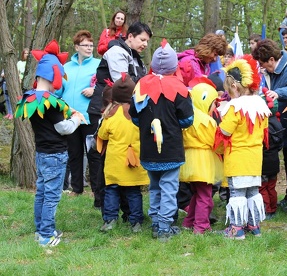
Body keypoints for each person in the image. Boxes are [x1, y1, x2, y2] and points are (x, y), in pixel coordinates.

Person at [15, 40, 85, 247]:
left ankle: (41, 230)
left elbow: (50, 116)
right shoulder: (51, 102)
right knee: (52, 196)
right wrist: (77, 119)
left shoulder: (31, 98)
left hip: (42, 152)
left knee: (42, 192)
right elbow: (63, 128)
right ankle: (46, 236)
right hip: (55, 155)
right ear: (55, 74)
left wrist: (67, 110)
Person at [129, 39, 194, 241]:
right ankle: (165, 225)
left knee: (155, 185)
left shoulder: (141, 87)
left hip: (149, 147)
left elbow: (134, 117)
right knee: (169, 187)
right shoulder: (180, 89)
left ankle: (157, 222)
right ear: (174, 66)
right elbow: (187, 119)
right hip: (171, 148)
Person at [214, 55, 271, 239]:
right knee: (253, 192)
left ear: (233, 86)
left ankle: (236, 229)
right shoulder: (261, 106)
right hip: (255, 159)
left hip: (237, 159)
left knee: (237, 193)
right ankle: (254, 225)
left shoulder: (235, 107)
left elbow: (225, 131)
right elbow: (263, 132)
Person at [252, 39, 287, 213]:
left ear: (272, 60)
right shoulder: (269, 72)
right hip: (280, 122)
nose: (263, 68)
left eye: (264, 64)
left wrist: (277, 93)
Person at [98, 73, 149, 233]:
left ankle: (110, 219)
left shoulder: (110, 115)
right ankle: (136, 222)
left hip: (114, 162)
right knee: (133, 192)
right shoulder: (139, 113)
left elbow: (102, 135)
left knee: (111, 191)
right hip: (133, 161)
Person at [57, 30, 101, 199]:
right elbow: (60, 90)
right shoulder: (66, 67)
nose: (89, 48)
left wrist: (94, 90)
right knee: (74, 154)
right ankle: (77, 189)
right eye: (85, 45)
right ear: (76, 47)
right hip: (70, 117)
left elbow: (106, 86)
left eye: (91, 45)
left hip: (90, 116)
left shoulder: (98, 64)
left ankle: (98, 191)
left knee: (93, 155)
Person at [180, 82, 222, 234]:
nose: (214, 108)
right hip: (203, 162)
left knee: (196, 193)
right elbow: (215, 142)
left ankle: (189, 221)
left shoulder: (188, 117)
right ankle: (201, 226)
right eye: (213, 104)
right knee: (205, 196)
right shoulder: (207, 121)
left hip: (189, 161)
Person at [259, 88, 284, 219]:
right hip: (274, 161)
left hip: (264, 162)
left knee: (263, 187)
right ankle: (273, 208)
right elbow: (280, 144)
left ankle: (267, 210)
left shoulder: (264, 125)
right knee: (271, 187)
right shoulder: (278, 123)